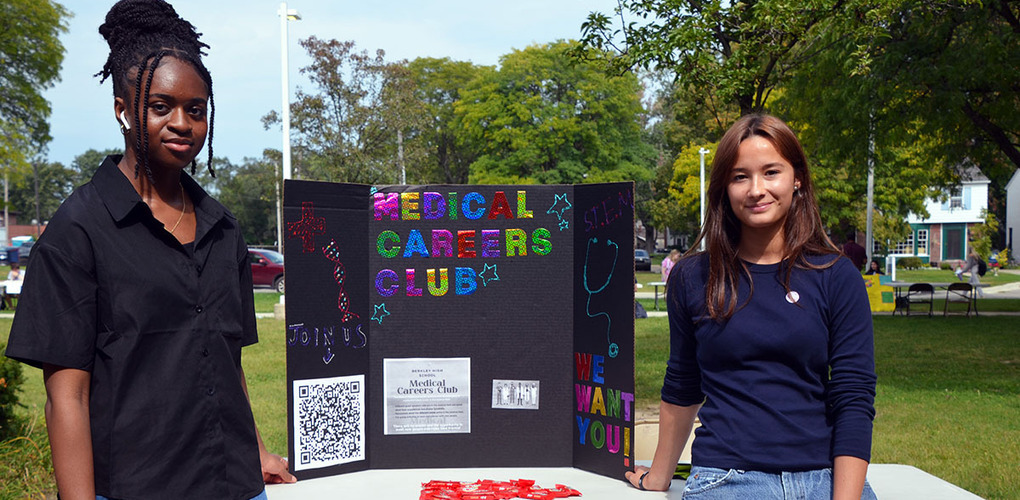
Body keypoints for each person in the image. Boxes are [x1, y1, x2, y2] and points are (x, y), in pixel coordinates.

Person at [3, 1, 295, 498]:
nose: (182, 123)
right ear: (123, 109)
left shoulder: (223, 228)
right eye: (161, 106)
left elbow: (227, 364)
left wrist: (256, 450)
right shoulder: (78, 231)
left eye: (196, 110)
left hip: (237, 487)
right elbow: (66, 398)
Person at [626, 114, 876, 499]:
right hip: (729, 479)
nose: (756, 189)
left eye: (771, 172)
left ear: (798, 179)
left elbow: (853, 395)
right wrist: (660, 476)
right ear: (724, 187)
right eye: (740, 176)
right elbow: (683, 381)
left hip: (825, 478)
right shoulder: (693, 277)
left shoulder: (836, 276)